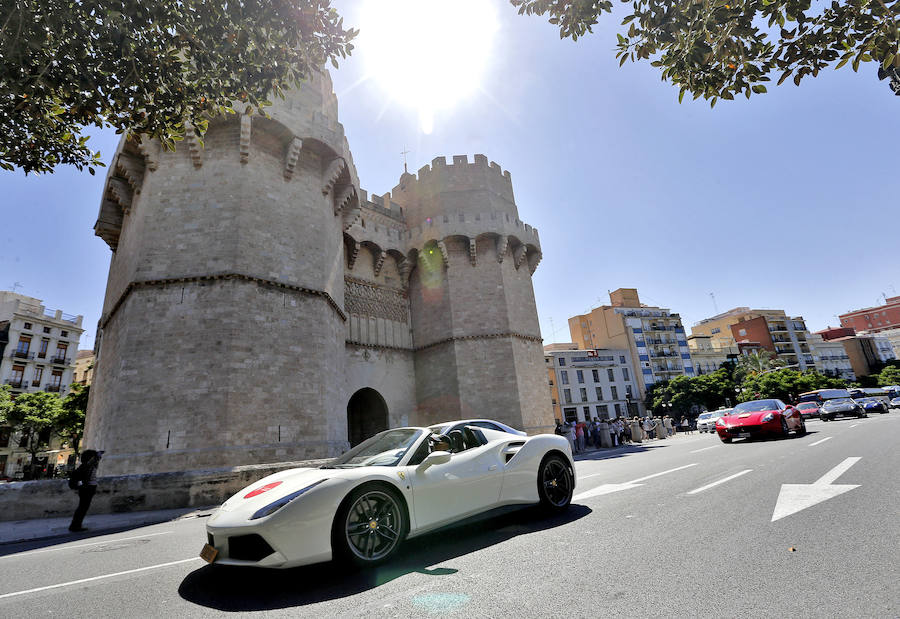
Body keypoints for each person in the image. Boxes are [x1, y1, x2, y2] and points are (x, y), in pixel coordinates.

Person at [69, 449, 102, 532]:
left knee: (83, 508)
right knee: (82, 508)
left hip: (88, 489)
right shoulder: (87, 467)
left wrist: (98, 454)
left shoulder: (91, 466)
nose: (96, 459)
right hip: (87, 489)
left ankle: (76, 525)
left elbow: (97, 458)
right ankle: (75, 526)